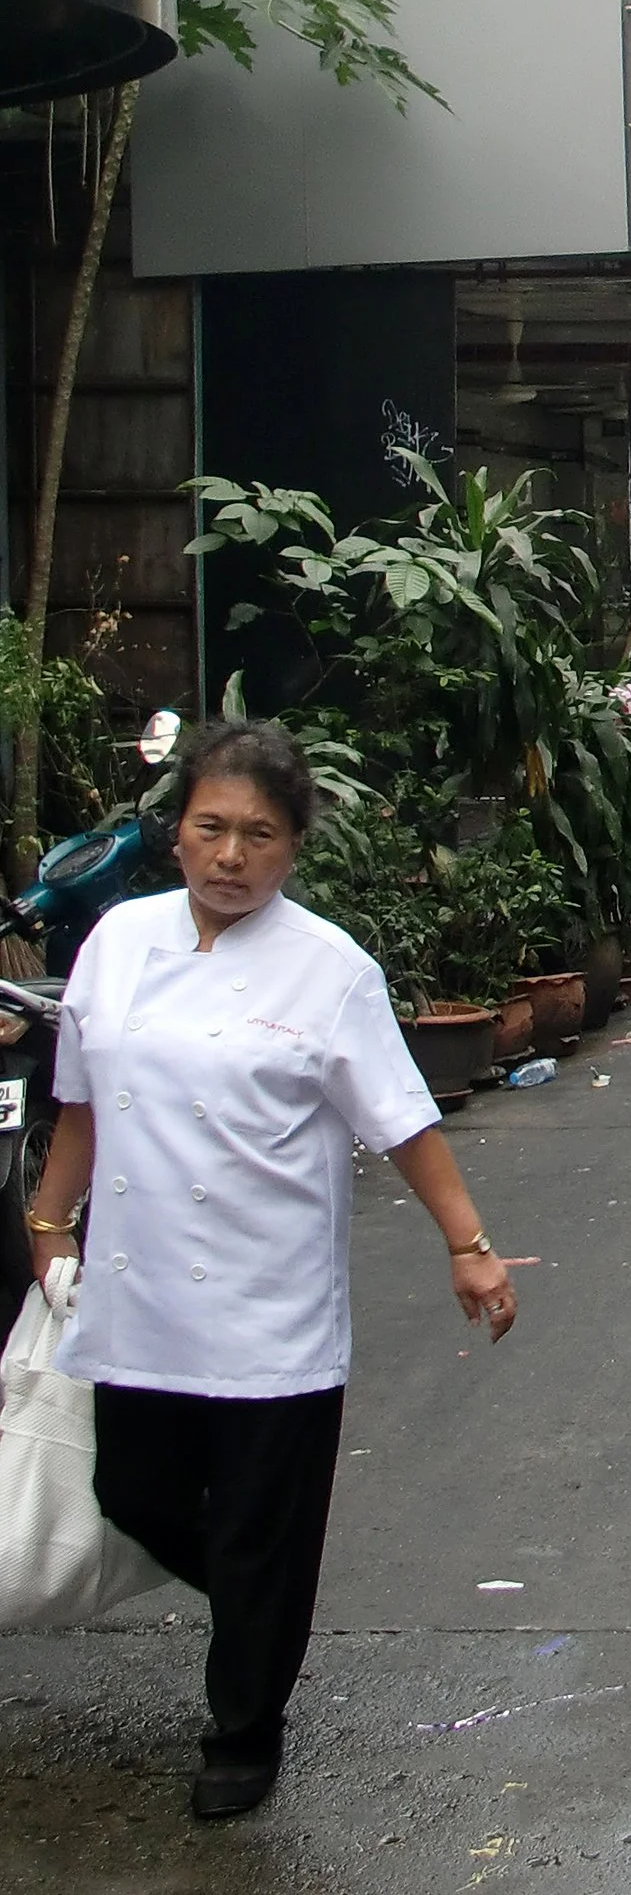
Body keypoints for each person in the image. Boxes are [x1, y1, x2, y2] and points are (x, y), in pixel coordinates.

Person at [26, 720, 519, 1822]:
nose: (232, 855)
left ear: (295, 845)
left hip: (270, 1300)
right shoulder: (116, 940)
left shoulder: (328, 966)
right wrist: (49, 1220)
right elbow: (80, 1101)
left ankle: (242, 1727)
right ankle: (264, 1603)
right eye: (211, 828)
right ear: (177, 832)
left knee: (262, 1519)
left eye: (259, 834)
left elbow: (403, 1120)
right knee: (134, 1491)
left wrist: (468, 1244)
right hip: (139, 1283)